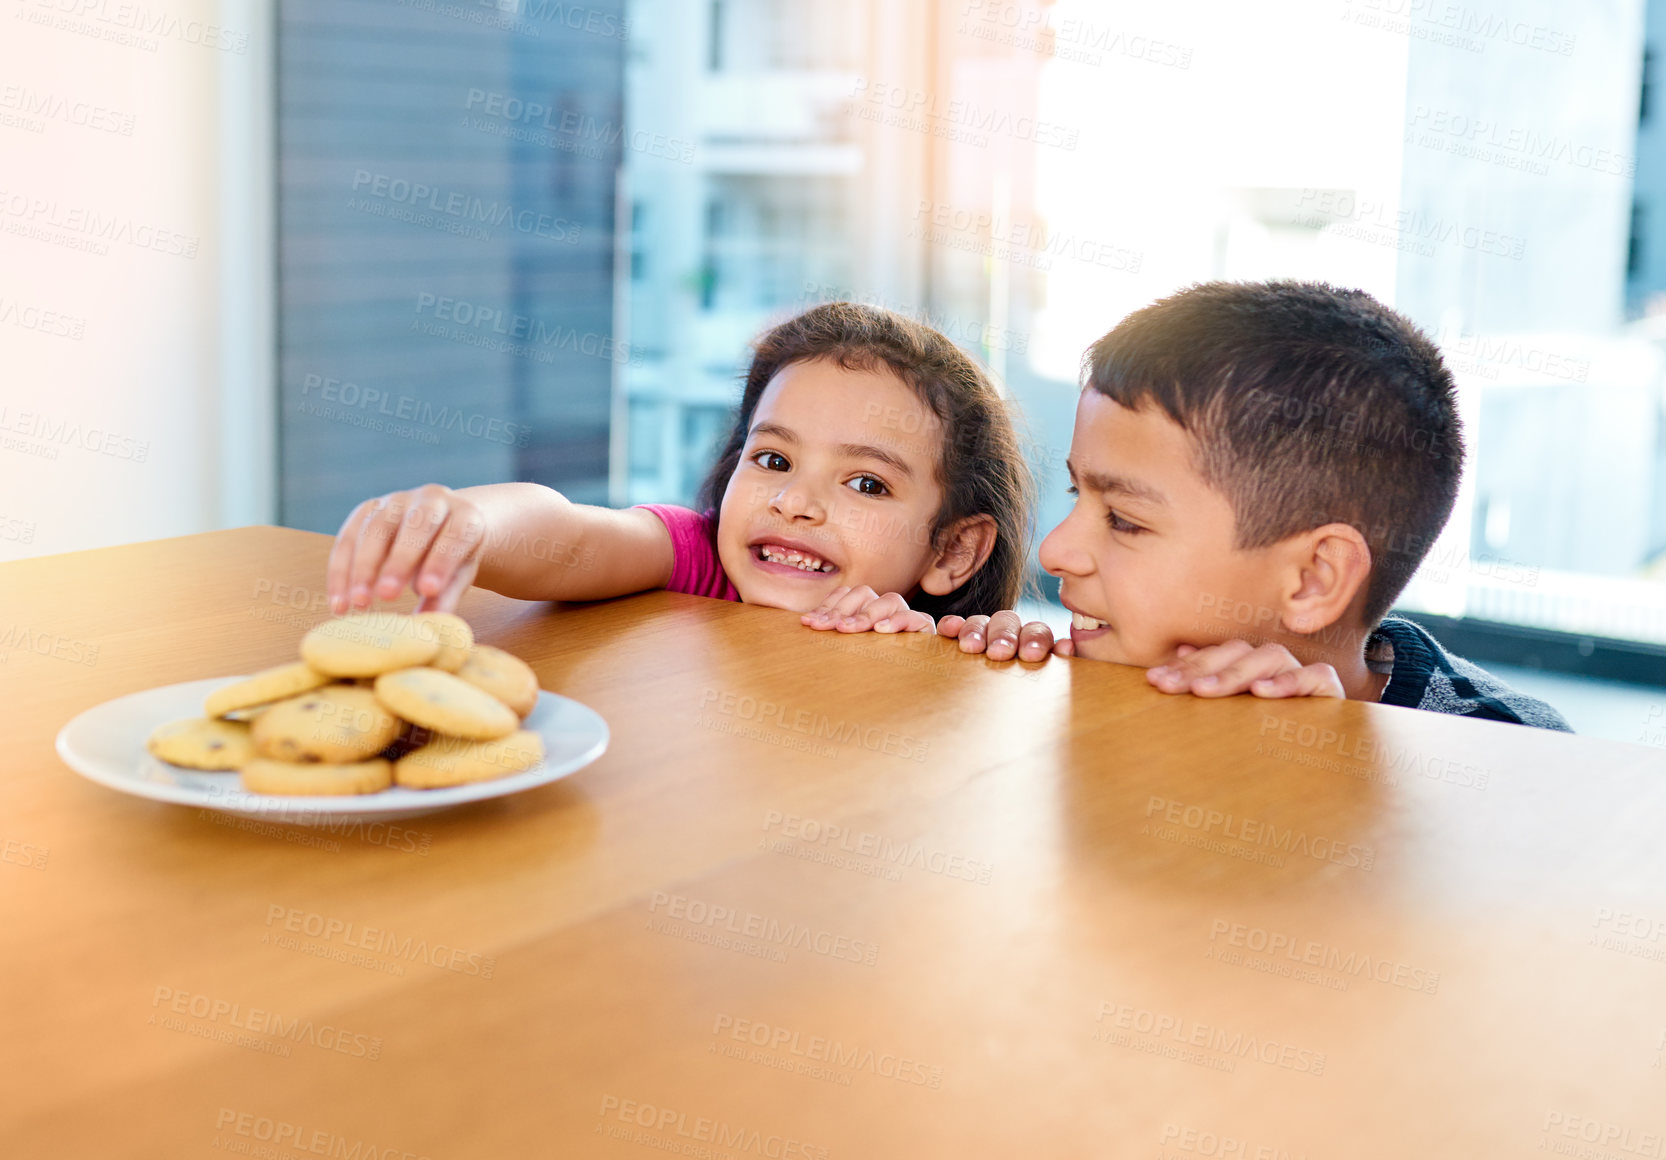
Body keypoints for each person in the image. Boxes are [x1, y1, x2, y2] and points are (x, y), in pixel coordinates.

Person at [898, 280, 1572, 731]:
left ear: (1312, 579)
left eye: (1126, 520)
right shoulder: (1091, 670)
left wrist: (1315, 762)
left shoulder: (1521, 764)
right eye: (1079, 493)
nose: (1055, 551)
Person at [324, 302, 1034, 630]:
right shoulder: (701, 558)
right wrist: (469, 521)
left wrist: (931, 668)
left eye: (865, 483)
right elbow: (565, 537)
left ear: (954, 549)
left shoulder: (945, 646)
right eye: (774, 457)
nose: (794, 501)